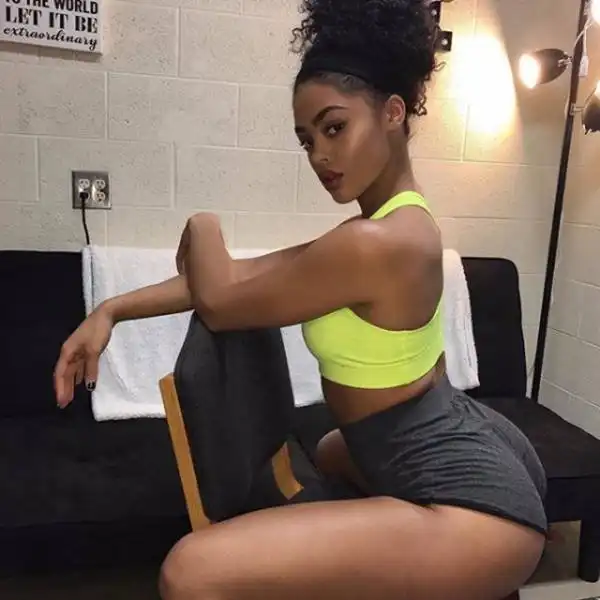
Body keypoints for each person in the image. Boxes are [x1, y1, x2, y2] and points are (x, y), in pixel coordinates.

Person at [53, 0, 548, 598]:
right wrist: (109, 311)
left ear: (393, 112)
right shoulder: (381, 230)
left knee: (188, 572)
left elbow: (220, 301)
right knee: (331, 449)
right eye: (306, 139)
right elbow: (236, 280)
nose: (319, 156)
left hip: (478, 509)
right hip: (423, 442)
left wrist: (203, 224)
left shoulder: (377, 243)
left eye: (334, 128)